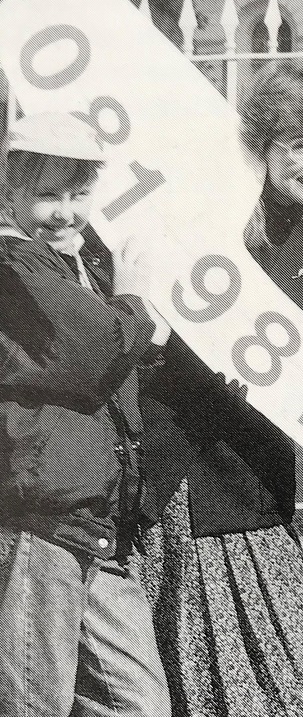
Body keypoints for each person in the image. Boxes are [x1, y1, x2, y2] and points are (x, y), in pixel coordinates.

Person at [133, 64, 303, 717]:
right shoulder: (215, 219)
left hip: (256, 480)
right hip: (185, 476)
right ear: (260, 145)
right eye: (300, 144)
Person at [0, 112, 171, 717]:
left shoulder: (68, 264)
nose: (66, 211)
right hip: (39, 520)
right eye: (48, 194)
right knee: (31, 700)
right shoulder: (15, 264)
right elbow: (95, 350)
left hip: (91, 523)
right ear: (8, 187)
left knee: (139, 704)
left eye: (78, 193)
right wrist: (133, 303)